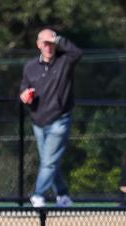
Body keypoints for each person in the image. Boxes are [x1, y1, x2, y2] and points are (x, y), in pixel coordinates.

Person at [20, 29, 82, 208]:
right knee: (50, 161)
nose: (49, 47)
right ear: (39, 44)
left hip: (60, 120)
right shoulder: (30, 67)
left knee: (48, 161)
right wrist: (25, 95)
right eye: (45, 43)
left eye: (52, 43)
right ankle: (63, 195)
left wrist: (59, 39)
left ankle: (38, 195)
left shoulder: (65, 61)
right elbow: (24, 88)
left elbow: (77, 53)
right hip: (38, 122)